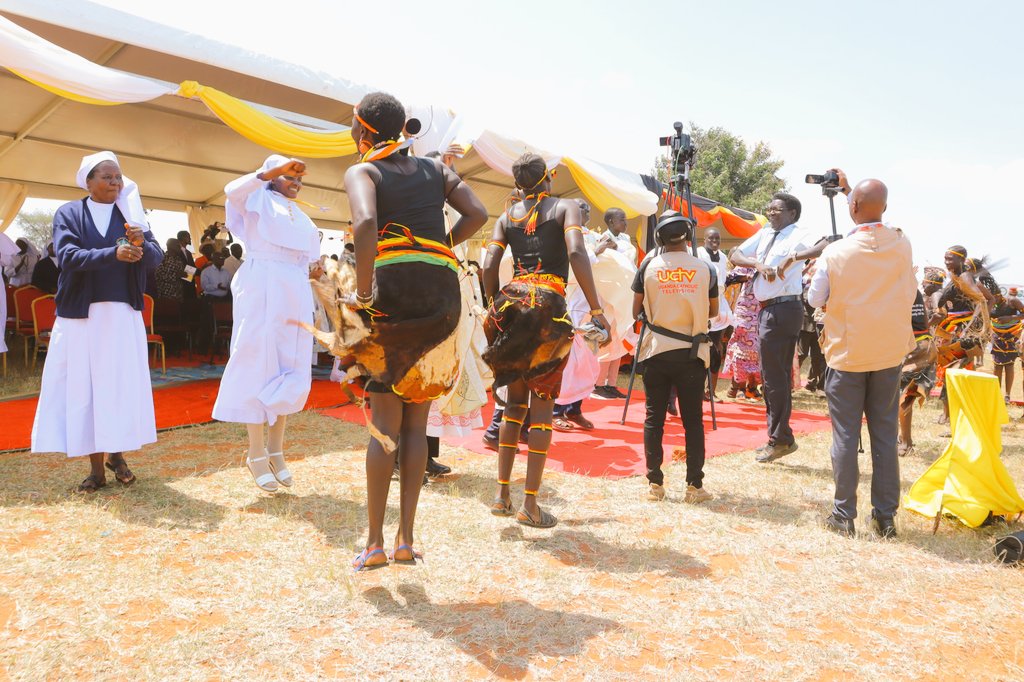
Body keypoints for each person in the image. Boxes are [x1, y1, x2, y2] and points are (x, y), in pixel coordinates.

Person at [341, 92, 487, 570]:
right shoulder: (434, 169)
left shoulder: (363, 171)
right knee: (416, 424)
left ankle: (375, 543)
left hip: (393, 291)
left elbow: (364, 223)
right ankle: (405, 542)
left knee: (384, 423)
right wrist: (436, 245)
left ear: (364, 131)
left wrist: (364, 293)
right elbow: (478, 214)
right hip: (441, 293)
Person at [482, 153, 609, 529]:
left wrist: (494, 304)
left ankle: (502, 495)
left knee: (512, 404)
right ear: (548, 179)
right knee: (542, 406)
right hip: (548, 308)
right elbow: (575, 251)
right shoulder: (565, 207)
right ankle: (530, 505)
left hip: (512, 300)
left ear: (519, 183)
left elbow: (489, 265)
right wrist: (597, 310)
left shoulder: (508, 216)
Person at [31, 151, 163, 492]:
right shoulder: (70, 213)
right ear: (88, 181)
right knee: (85, 387)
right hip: (82, 316)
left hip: (121, 314)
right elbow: (69, 256)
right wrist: (113, 253)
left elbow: (155, 257)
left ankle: (117, 455)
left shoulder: (131, 213)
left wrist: (140, 244)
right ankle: (96, 470)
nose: (115, 183)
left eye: (118, 177)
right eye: (106, 177)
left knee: (115, 386)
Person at [806, 173, 916, 538]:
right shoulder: (902, 244)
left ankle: (843, 515)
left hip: (847, 354)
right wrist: (851, 190)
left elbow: (814, 299)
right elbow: (871, 214)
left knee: (846, 435)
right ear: (885, 207)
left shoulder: (835, 252)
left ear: (851, 207)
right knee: (884, 433)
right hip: (889, 352)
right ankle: (885, 517)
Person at [211, 155, 321, 495]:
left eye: (299, 178)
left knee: (291, 365)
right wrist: (270, 171)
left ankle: (276, 448)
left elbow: (309, 259)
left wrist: (313, 273)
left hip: (295, 289)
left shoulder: (301, 215)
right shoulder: (254, 197)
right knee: (258, 363)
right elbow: (231, 189)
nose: (295, 182)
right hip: (261, 284)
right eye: (288, 176)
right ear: (271, 176)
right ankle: (255, 452)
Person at [729, 192, 822, 463]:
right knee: (771, 376)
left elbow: (826, 245)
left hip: (784, 308)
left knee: (775, 378)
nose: (771, 212)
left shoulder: (799, 232)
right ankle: (778, 437)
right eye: (768, 208)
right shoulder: (765, 233)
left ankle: (780, 438)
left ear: (792, 213)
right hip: (767, 308)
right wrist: (757, 263)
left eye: (777, 209)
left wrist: (793, 258)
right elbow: (735, 254)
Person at [633, 212, 718, 503]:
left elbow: (636, 310)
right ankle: (695, 486)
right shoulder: (705, 268)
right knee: (693, 420)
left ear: (659, 238)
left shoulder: (648, 266)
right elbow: (714, 311)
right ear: (689, 237)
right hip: (692, 354)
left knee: (653, 418)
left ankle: (654, 485)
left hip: (657, 350)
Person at [553, 199, 600, 431]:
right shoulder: (562, 233)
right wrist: (597, 252)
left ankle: (575, 409)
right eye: (582, 208)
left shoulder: (591, 235)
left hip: (589, 305)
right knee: (568, 361)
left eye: (588, 208)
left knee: (589, 359)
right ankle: (556, 410)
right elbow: (576, 257)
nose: (586, 212)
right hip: (569, 304)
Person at [897, 267, 944, 457]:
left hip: (912, 348)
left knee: (904, 394)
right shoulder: (907, 289)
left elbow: (922, 323)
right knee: (899, 395)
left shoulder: (905, 290)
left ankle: (906, 441)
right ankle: (902, 439)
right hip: (909, 346)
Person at [592, 206, 636, 399]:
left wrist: (617, 249)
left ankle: (612, 383)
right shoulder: (600, 240)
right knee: (606, 339)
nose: (625, 223)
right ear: (610, 222)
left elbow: (629, 259)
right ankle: (598, 384)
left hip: (624, 296)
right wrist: (608, 249)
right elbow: (599, 263)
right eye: (622, 219)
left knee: (619, 338)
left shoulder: (625, 241)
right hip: (608, 297)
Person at [696, 227, 734, 398]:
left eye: (717, 239)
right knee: (700, 349)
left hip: (720, 305)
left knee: (716, 350)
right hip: (702, 304)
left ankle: (710, 391)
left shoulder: (724, 257)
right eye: (711, 238)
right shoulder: (697, 254)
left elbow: (724, 281)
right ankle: (695, 388)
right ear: (704, 239)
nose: (715, 242)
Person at [721, 267, 762, 401]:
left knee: (757, 352)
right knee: (740, 350)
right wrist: (748, 276)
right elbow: (729, 278)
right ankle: (738, 388)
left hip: (763, 311)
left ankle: (752, 388)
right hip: (744, 312)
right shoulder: (747, 263)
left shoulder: (771, 262)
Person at [991, 286, 1024, 403]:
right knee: (997, 365)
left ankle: (1007, 396)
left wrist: (1010, 317)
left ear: (999, 295)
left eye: (993, 297)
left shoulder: (1012, 301)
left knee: (1009, 365)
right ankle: (996, 393)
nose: (991, 299)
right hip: (996, 336)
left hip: (1011, 336)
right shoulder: (990, 303)